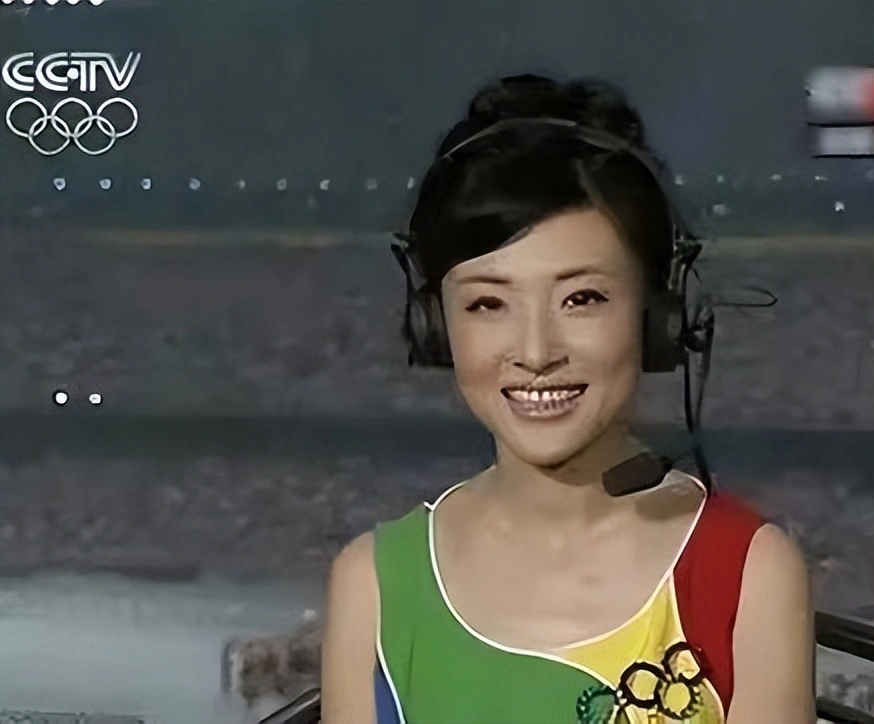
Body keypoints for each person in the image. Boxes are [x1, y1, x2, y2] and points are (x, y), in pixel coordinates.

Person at [321, 74, 815, 724]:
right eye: (488, 304)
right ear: (436, 325)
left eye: (582, 298)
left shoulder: (745, 573)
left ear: (657, 315)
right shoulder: (375, 586)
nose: (536, 350)